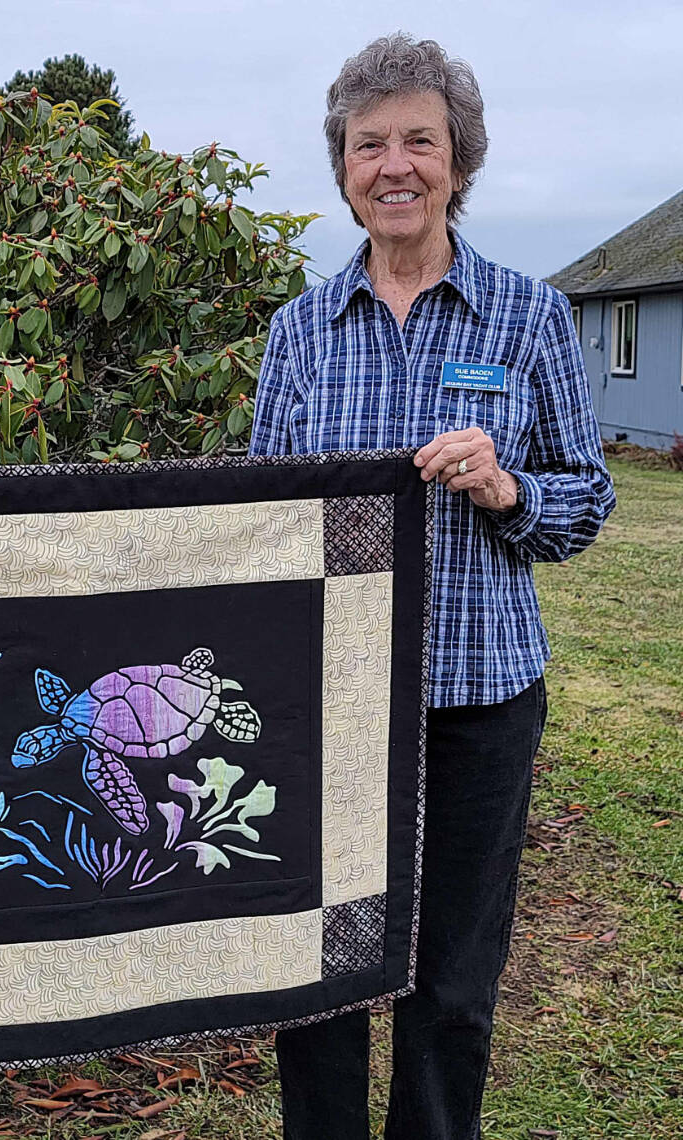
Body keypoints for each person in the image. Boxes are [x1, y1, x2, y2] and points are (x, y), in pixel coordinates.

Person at [248, 33, 614, 1140]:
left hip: (478, 701)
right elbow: (264, 522)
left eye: (419, 139)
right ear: (343, 169)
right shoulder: (300, 331)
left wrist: (507, 490)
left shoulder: (526, 314)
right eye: (369, 145)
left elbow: (584, 498)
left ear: (459, 161)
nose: (393, 164)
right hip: (332, 706)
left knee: (450, 983)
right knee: (316, 978)